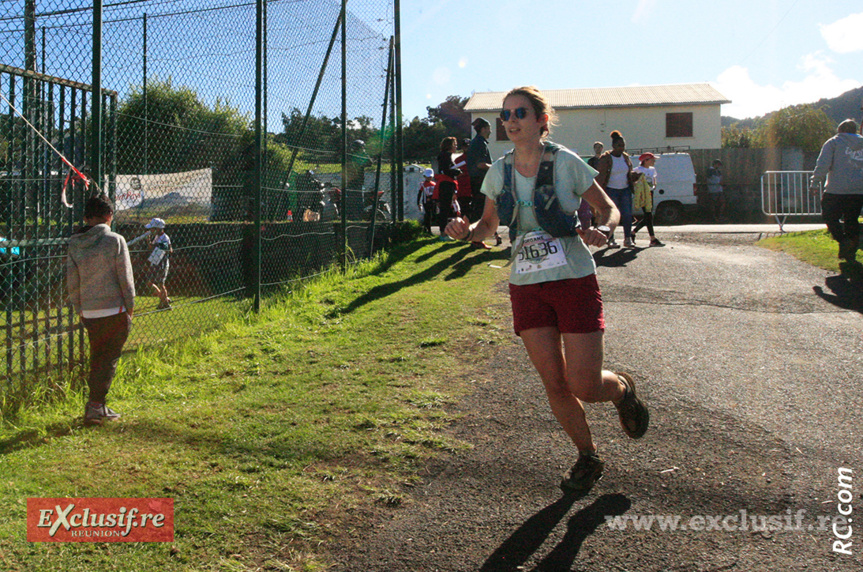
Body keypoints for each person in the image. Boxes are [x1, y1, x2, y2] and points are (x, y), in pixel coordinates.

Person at [445, 86, 649, 493]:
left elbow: (608, 207)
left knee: (584, 384)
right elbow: (488, 226)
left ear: (542, 119)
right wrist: (464, 231)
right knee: (555, 383)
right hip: (526, 285)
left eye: (520, 112)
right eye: (506, 115)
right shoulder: (498, 171)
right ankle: (588, 455)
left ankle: (621, 388)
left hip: (573, 279)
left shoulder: (565, 162)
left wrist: (603, 228)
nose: (511, 120)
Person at [66, 195, 135, 426]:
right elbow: (126, 279)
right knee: (108, 359)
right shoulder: (115, 240)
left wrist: (79, 308)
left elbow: (72, 281)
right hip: (114, 309)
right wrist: (130, 307)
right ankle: (95, 407)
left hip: (89, 312)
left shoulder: (74, 243)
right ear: (109, 215)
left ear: (87, 217)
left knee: (98, 357)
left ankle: (97, 404)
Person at [809, 119, 863, 261]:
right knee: (851, 219)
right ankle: (850, 250)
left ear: (840, 130)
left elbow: (823, 164)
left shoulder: (833, 142)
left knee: (829, 216)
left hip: (836, 189)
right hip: (858, 190)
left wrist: (815, 183)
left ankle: (843, 241)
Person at [595, 131, 636, 248]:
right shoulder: (606, 158)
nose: (621, 148)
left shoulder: (625, 157)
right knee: (611, 216)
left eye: (623, 145)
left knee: (627, 215)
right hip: (611, 190)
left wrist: (635, 176)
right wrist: (599, 192)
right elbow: (600, 175)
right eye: (619, 145)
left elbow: (629, 172)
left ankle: (627, 239)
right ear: (613, 146)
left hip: (625, 189)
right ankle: (610, 239)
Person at [466, 118, 502, 248]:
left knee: (482, 208)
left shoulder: (477, 142)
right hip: (480, 180)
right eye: (489, 128)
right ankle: (476, 239)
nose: (491, 131)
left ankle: (481, 237)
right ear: (483, 129)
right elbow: (481, 164)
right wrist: (496, 168)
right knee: (481, 209)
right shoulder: (479, 143)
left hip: (477, 180)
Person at [631, 152, 664, 247]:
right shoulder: (637, 170)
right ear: (645, 160)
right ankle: (652, 239)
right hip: (642, 194)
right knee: (648, 215)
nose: (654, 162)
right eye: (652, 160)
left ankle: (633, 232)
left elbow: (654, 179)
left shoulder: (652, 169)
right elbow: (632, 180)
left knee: (648, 216)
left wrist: (654, 185)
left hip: (650, 193)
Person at [436, 136, 461, 241]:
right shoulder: (446, 156)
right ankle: (443, 233)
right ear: (449, 145)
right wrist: (456, 172)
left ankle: (444, 232)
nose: (456, 147)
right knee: (445, 209)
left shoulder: (445, 155)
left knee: (446, 208)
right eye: (454, 144)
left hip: (447, 183)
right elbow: (447, 170)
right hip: (446, 183)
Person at [145, 217, 173, 310]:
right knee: (149, 282)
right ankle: (164, 299)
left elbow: (170, 250)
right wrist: (149, 241)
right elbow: (151, 247)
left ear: (158, 228)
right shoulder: (157, 237)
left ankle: (165, 303)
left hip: (162, 263)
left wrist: (159, 246)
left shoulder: (165, 238)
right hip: (155, 262)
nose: (151, 230)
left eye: (153, 228)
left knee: (161, 283)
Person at [581, 142, 604, 230]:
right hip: (594, 184)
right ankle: (595, 222)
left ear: (602, 148)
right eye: (596, 147)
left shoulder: (605, 159)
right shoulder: (591, 161)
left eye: (599, 147)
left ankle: (598, 224)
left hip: (603, 185)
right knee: (593, 206)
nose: (597, 149)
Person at [416, 168, 437, 234]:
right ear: (424, 176)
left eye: (430, 177)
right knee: (428, 214)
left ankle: (426, 227)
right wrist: (418, 203)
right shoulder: (422, 184)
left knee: (433, 215)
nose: (429, 178)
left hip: (433, 201)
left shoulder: (434, 184)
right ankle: (428, 229)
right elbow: (419, 194)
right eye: (427, 177)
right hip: (426, 202)